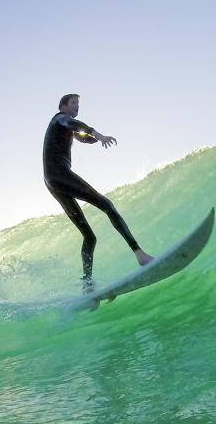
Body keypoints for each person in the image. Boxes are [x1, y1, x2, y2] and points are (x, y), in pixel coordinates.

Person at [43, 94, 153, 289]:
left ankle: (87, 285)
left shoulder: (63, 126)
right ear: (63, 106)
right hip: (59, 174)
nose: (77, 107)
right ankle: (140, 254)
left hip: (52, 181)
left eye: (78, 104)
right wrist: (99, 135)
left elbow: (80, 136)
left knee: (89, 237)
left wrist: (95, 138)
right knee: (107, 205)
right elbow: (75, 125)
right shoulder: (60, 118)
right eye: (73, 103)